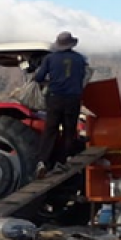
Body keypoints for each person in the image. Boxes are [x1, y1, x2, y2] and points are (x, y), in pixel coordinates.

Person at [33, 31, 89, 178]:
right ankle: (64, 160)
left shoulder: (50, 59)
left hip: (55, 98)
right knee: (69, 130)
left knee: (50, 130)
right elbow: (82, 76)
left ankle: (43, 162)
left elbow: (38, 77)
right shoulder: (80, 59)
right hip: (73, 99)